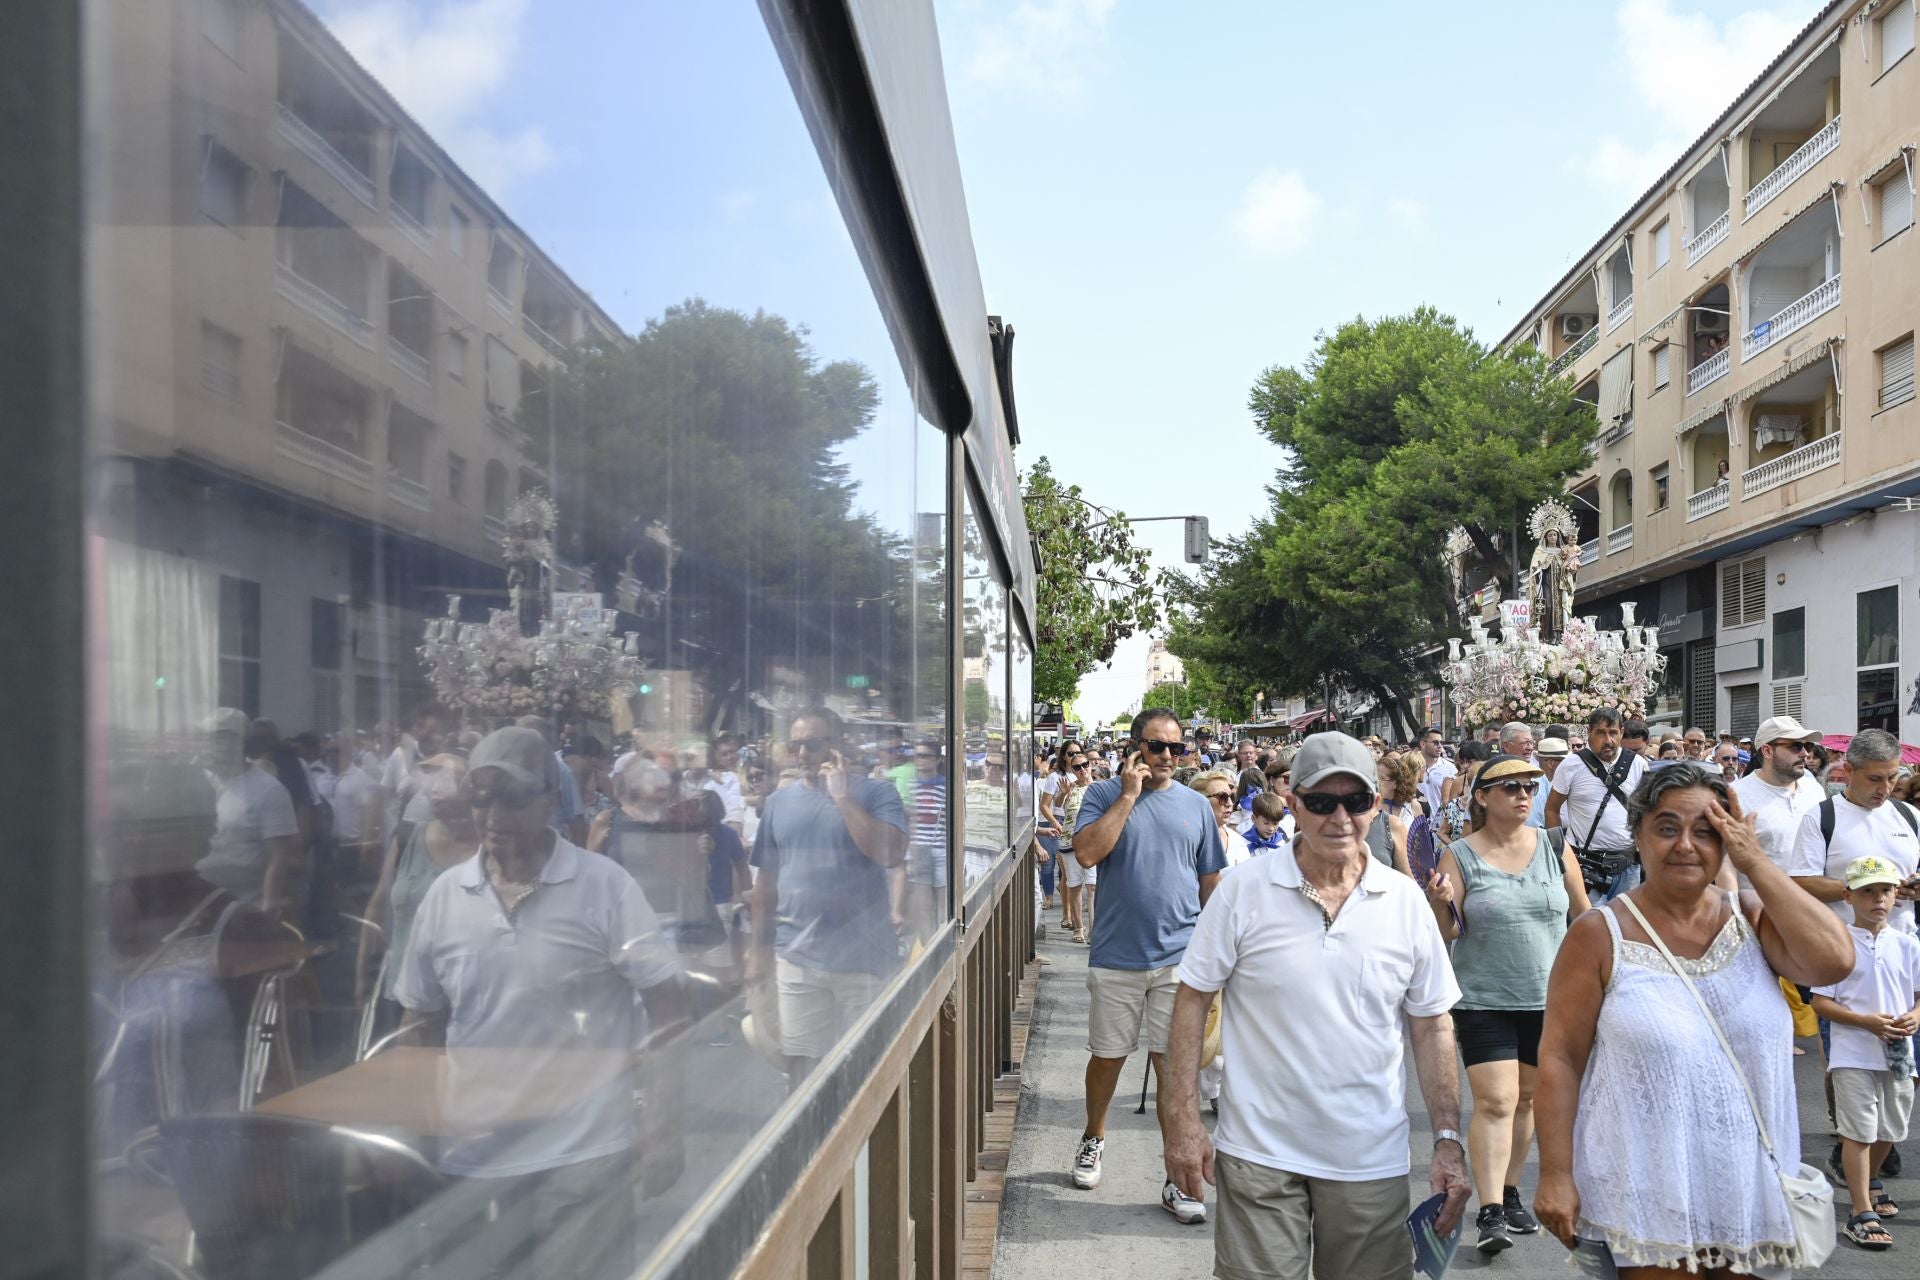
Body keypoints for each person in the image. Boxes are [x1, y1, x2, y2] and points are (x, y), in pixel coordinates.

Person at [1163, 731, 1472, 1277]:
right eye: (1321, 802)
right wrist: (1182, 1120)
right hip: (1259, 1155)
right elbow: (1192, 1000)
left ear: (1376, 806)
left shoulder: (1404, 902)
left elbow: (1432, 1026)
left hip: (1369, 1160)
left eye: (1354, 802)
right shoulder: (1243, 891)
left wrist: (1447, 1139)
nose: (1340, 818)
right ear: (1296, 805)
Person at [392, 727, 691, 1280]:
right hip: (476, 1163)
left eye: (512, 796)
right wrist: (417, 1138)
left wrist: (664, 1128)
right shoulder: (445, 897)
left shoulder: (606, 887)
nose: (492, 814)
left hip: (584, 1159)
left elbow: (668, 1007)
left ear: (552, 801)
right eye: (481, 797)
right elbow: (420, 1025)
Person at [1533, 763, 1853, 1274]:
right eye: (1666, 827)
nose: (1686, 844)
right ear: (1637, 834)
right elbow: (1559, 1059)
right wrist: (1554, 1172)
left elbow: (1834, 960)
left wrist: (1757, 863)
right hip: (1646, 1188)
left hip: (1749, 1184)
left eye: (1706, 831)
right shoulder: (1598, 934)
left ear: (1727, 840)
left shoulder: (1752, 919)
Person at [1425, 754, 1591, 1253]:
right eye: (1511, 786)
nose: (1524, 794)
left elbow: (1583, 917)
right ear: (1482, 796)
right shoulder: (1460, 854)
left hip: (1550, 999)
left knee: (1528, 1100)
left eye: (1531, 786)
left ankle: (1512, 1190)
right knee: (1496, 1101)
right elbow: (1449, 932)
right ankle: (1491, 1211)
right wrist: (1438, 902)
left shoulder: (1556, 846)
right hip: (1484, 998)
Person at [1068, 707, 1227, 1221]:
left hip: (1179, 959)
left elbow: (1211, 885)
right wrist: (1129, 796)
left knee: (1172, 1069)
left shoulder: (1196, 807)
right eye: (1155, 746)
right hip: (1117, 954)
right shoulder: (1100, 796)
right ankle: (1094, 1135)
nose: (1164, 757)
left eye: (1174, 749)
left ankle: (1176, 1176)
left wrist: (1221, 954)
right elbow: (1087, 854)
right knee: (1108, 1058)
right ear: (1135, 746)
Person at [748, 709, 907, 1086]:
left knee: (866, 1070)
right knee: (802, 1071)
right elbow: (765, 883)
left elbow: (890, 854)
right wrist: (756, 952)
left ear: (837, 746)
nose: (802, 753)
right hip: (798, 958)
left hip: (863, 959)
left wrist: (841, 797)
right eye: (795, 745)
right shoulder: (777, 803)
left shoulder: (876, 792)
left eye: (813, 744)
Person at [1809, 855, 1920, 1250]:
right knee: (1857, 1132)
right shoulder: (1837, 942)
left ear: (1896, 896)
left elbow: (1918, 995)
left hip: (1899, 1055)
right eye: (1867, 891)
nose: (1878, 899)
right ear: (1848, 896)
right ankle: (1860, 1210)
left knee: (1891, 1130)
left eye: (1886, 891)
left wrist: (1915, 1017)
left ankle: (1867, 1187)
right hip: (1853, 1052)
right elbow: (1820, 1002)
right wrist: (1865, 1022)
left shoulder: (1908, 944)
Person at [358, 754, 474, 1012]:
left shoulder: (488, 848)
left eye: (446, 779)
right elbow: (377, 907)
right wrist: (362, 974)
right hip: (401, 993)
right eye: (429, 780)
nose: (434, 788)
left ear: (469, 788)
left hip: (466, 998)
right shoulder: (407, 838)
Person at [1790, 728, 1920, 938]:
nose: (1885, 788)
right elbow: (1801, 883)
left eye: (1892, 777)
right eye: (1874, 778)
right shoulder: (1820, 817)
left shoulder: (1910, 815)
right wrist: (1867, 886)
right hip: (1843, 950)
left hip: (1904, 950)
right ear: (1849, 770)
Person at [193, 707, 303, 918]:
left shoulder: (268, 790)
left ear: (237, 742)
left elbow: (278, 859)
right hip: (200, 903)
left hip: (242, 908)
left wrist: (267, 915)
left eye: (214, 738)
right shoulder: (202, 783)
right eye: (205, 738)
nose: (206, 745)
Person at [1544, 708, 1649, 903]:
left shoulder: (1638, 764)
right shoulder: (1571, 765)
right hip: (1585, 867)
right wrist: (1558, 853)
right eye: (1601, 732)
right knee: (1587, 926)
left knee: (1626, 926)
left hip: (1628, 867)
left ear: (1622, 733)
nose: (1608, 740)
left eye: (1613, 733)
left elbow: (1647, 811)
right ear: (1589, 732)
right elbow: (1551, 809)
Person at [1060, 749, 1097, 943]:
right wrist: (1064, 794)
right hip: (1069, 843)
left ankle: (1093, 929)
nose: (1082, 769)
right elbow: (1057, 805)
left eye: (1085, 765)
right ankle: (1078, 928)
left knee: (1092, 887)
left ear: (1091, 766)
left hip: (1093, 844)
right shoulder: (1071, 787)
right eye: (1077, 767)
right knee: (1074, 886)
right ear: (1072, 770)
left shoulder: (1100, 788)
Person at [1191, 769, 1252, 869]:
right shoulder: (1185, 842)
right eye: (1222, 797)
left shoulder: (1237, 841)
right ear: (1199, 799)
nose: (1230, 804)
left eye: (1231, 797)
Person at [1418, 726, 1457, 816]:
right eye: (1435, 743)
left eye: (1441, 742)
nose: (1440, 746)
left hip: (1440, 824)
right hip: (1416, 823)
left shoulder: (1450, 768)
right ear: (1423, 744)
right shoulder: (1411, 764)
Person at [1531, 735, 1569, 828]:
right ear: (1551, 763)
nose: (1569, 765)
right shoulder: (1535, 785)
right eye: (1564, 761)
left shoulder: (1556, 781)